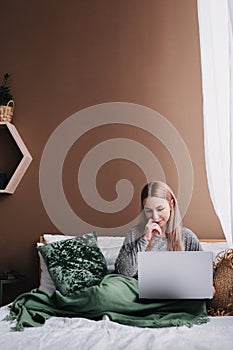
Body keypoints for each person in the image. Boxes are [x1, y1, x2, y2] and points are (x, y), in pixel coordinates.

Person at [115, 181, 204, 277]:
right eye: (148, 211)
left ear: (171, 205)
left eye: (160, 209)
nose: (155, 217)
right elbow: (123, 272)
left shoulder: (186, 236)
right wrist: (144, 239)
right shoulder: (134, 233)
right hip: (136, 287)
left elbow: (205, 269)